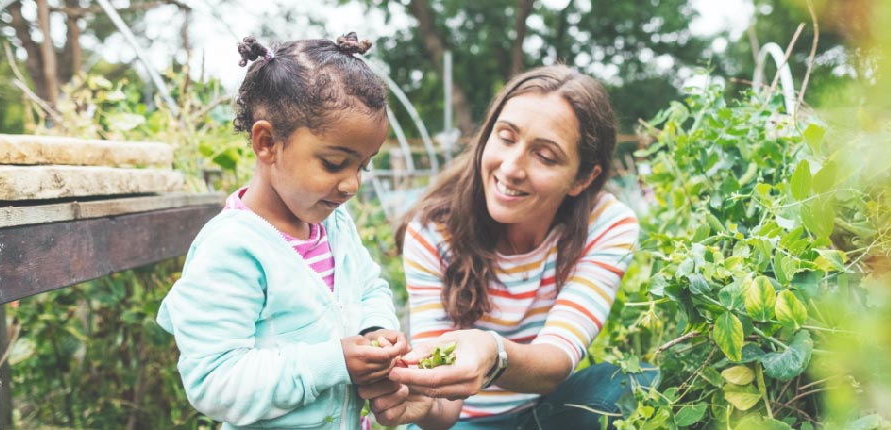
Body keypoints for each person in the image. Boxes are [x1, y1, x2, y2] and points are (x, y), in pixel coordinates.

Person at [361, 65, 658, 430]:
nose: (512, 167)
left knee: (631, 383)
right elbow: (442, 409)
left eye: (545, 156)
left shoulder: (607, 224)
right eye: (505, 137)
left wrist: (493, 354)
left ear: (583, 178)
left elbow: (557, 359)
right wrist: (420, 395)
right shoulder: (434, 230)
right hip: (464, 422)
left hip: (547, 413)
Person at [156, 32, 407, 430]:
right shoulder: (231, 249)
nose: (352, 185)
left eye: (362, 166)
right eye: (333, 163)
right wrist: (334, 362)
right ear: (267, 142)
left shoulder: (334, 225)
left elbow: (368, 286)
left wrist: (375, 330)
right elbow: (215, 382)